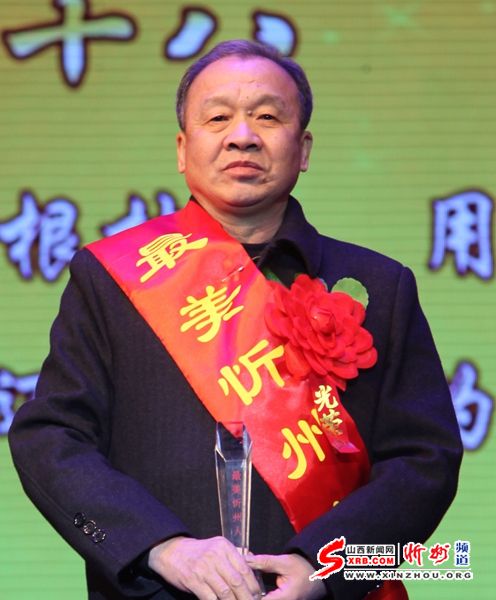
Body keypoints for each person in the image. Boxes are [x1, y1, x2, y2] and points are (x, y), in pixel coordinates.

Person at [9, 40, 462, 600]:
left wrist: (326, 569)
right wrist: (159, 548)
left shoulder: (378, 286)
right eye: (218, 118)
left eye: (267, 117)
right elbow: (52, 437)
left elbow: (424, 461)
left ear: (303, 149)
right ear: (183, 149)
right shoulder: (109, 280)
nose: (242, 136)